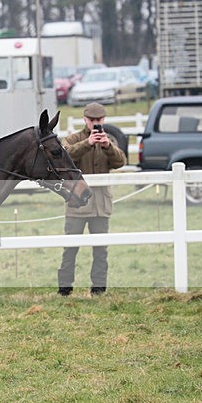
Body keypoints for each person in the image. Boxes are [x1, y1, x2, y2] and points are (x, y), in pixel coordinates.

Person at [57, 102, 126, 297]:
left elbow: (120, 161)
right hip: (77, 204)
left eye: (99, 120)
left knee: (101, 250)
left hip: (100, 205)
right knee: (70, 249)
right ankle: (65, 288)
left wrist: (107, 146)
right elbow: (65, 155)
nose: (95, 123)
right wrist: (87, 144)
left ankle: (99, 288)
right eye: (92, 120)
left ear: (104, 120)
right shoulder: (73, 138)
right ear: (85, 120)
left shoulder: (107, 140)